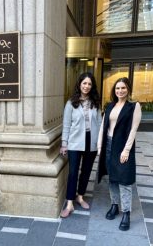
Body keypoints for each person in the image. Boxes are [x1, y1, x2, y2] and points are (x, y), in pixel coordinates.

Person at [97, 77, 141, 231]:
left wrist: (126, 150)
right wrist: (100, 146)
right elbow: (104, 126)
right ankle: (114, 205)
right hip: (108, 145)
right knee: (112, 179)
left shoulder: (134, 106)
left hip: (122, 147)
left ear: (128, 89)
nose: (120, 91)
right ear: (114, 90)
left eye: (123, 88)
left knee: (125, 181)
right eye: (117, 88)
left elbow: (133, 130)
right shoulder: (110, 106)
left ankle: (126, 213)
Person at [60, 72, 102, 218]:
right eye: (84, 83)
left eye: (89, 84)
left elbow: (100, 123)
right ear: (79, 84)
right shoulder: (71, 102)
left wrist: (100, 143)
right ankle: (70, 202)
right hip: (74, 141)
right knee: (73, 173)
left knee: (86, 171)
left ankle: (80, 196)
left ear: (92, 86)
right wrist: (64, 143)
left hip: (91, 140)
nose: (87, 86)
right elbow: (66, 124)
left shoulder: (95, 102)